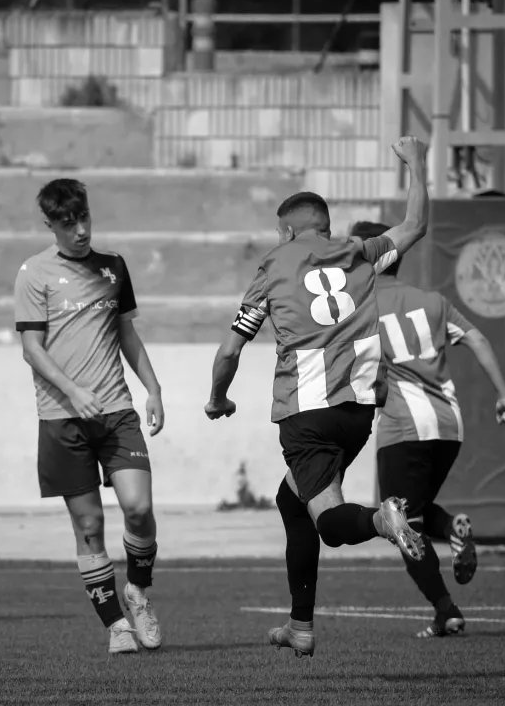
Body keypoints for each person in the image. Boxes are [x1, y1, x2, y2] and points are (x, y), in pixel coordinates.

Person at [204, 136, 431, 658]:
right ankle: (299, 626)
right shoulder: (360, 252)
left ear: (285, 231)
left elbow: (230, 351)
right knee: (291, 502)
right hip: (358, 410)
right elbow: (415, 225)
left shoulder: (273, 266)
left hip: (305, 412)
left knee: (329, 521)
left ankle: (382, 520)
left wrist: (217, 398)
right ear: (326, 227)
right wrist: (416, 162)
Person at [13, 178, 165, 655]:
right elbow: (31, 349)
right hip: (61, 416)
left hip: (116, 410)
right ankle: (116, 624)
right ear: (50, 225)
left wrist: (154, 388)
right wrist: (73, 390)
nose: (79, 230)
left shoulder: (113, 267)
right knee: (90, 528)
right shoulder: (33, 273)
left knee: (139, 509)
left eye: (84, 219)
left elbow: (126, 335)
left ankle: (138, 592)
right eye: (67, 223)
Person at [353, 220, 505, 639]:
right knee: (415, 516)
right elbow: (478, 339)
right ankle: (446, 590)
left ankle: (446, 605)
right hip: (449, 425)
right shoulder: (432, 300)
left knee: (400, 524)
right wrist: (503, 394)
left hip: (403, 427)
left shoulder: (360, 307)